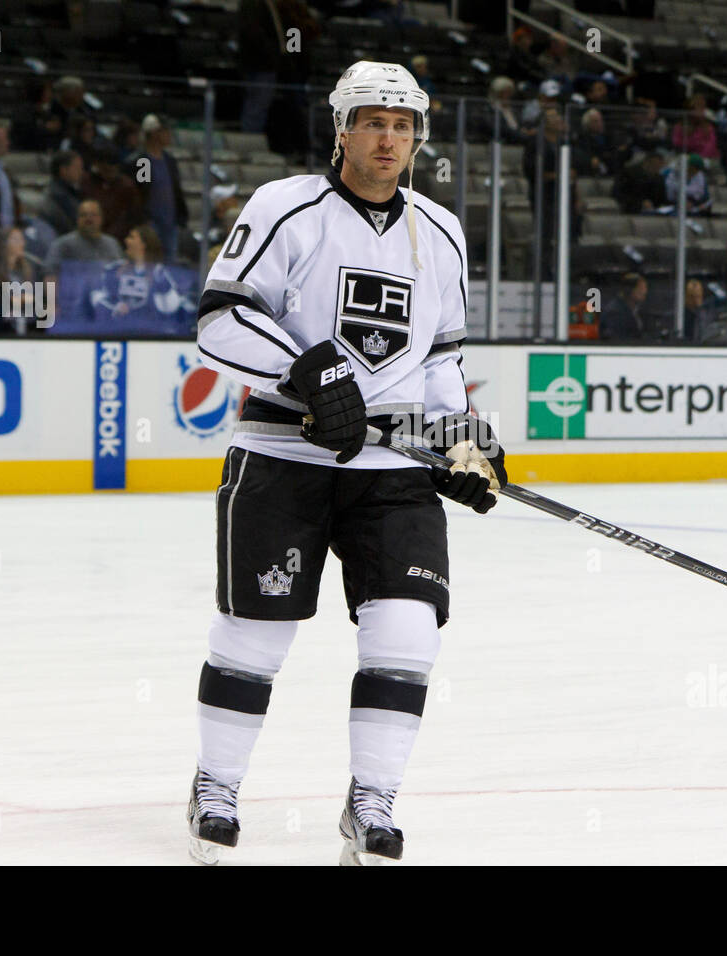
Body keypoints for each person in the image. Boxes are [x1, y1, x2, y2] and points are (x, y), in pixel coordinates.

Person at [188, 61, 507, 867]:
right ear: (341, 129)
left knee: (406, 633)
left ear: (419, 137)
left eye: (403, 126)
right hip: (282, 456)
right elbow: (220, 321)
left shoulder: (439, 231)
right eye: (372, 122)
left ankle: (372, 803)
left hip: (391, 471)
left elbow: (439, 360)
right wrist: (310, 369)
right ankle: (216, 787)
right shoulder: (285, 207)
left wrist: (462, 438)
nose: (388, 138)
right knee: (254, 637)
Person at [90, 224, 190, 332]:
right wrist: (115, 306)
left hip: (150, 336)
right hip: (116, 332)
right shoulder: (114, 269)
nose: (126, 240)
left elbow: (171, 306)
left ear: (143, 245)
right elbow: (95, 296)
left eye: (132, 237)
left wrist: (161, 284)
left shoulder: (159, 272)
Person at [136, 113, 188, 263]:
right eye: (165, 131)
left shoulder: (169, 161)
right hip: (152, 222)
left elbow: (176, 190)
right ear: (154, 133)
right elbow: (142, 190)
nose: (169, 134)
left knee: (170, 261)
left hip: (170, 222)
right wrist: (145, 218)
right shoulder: (144, 161)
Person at [598, 273, 648, 340]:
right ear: (629, 290)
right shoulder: (614, 313)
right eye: (641, 288)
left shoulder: (637, 310)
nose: (645, 291)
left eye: (645, 288)